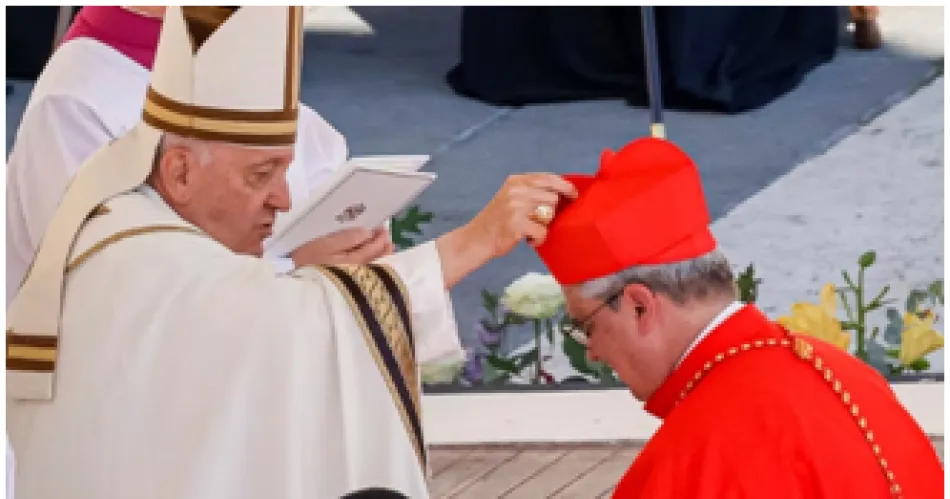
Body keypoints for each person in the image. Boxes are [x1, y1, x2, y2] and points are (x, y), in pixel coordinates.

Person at [6, 7, 575, 499]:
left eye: (284, 171)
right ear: (177, 172)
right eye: (261, 176)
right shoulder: (121, 240)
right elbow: (243, 322)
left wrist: (348, 262)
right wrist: (468, 244)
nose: (282, 199)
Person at [532, 137, 943, 498]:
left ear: (640, 306)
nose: (593, 353)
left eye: (587, 326)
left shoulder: (698, 452)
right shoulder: (847, 374)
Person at [6, 6, 388, 305]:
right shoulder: (77, 104)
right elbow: (109, 291)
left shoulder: (237, 47)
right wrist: (296, 275)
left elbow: (314, 169)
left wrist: (357, 244)